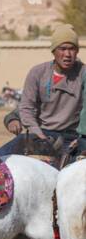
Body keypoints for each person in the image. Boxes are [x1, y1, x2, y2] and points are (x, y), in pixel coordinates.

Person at [17, 25, 82, 162]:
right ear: (53, 51)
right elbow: (26, 107)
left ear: (77, 52)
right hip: (42, 133)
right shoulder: (38, 73)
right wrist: (39, 135)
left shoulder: (83, 74)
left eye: (72, 49)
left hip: (73, 137)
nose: (67, 54)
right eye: (62, 49)